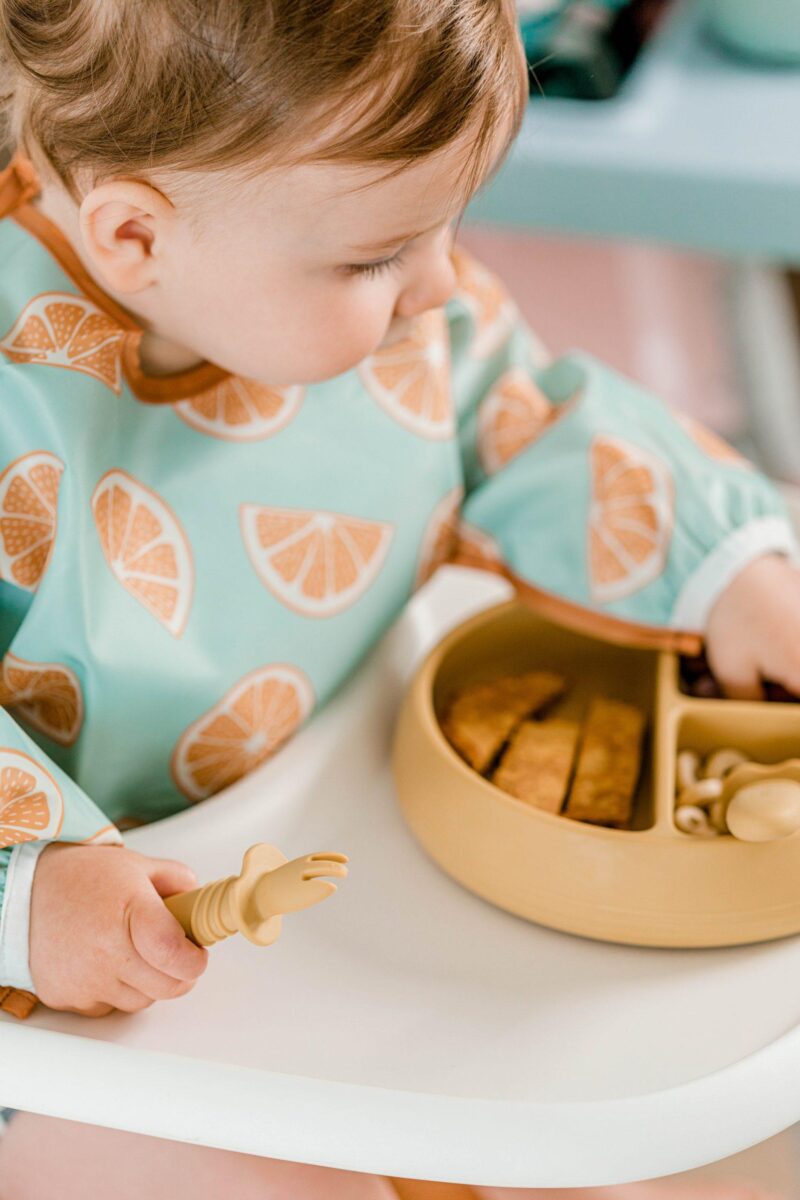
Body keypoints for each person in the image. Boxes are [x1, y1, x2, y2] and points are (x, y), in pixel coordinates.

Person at [0, 1, 795, 1195]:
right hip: (116, 966)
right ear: (132, 238)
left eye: (443, 230)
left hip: (343, 851)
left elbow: (522, 408)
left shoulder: (373, 300)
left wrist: (733, 573)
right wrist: (29, 887)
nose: (439, 286)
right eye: (376, 257)